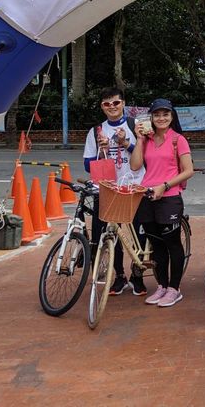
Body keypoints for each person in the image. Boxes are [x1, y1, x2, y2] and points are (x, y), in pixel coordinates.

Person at [129, 98, 194, 308]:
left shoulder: (178, 140)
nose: (161, 118)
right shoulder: (146, 140)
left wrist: (164, 186)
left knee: (172, 244)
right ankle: (162, 286)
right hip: (146, 197)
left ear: (172, 116)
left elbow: (188, 170)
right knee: (156, 245)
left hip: (170, 198)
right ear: (151, 118)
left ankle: (174, 288)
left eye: (165, 114)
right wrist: (139, 139)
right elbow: (135, 166)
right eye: (157, 115)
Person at [82, 87, 146, 296]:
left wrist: (124, 142)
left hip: (135, 185)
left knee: (138, 230)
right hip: (108, 187)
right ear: (102, 106)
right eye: (107, 104)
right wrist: (103, 149)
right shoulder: (96, 131)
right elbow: (87, 164)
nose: (112, 107)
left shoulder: (135, 126)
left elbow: (145, 157)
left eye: (116, 103)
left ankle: (137, 274)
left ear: (123, 103)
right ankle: (119, 276)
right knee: (110, 232)